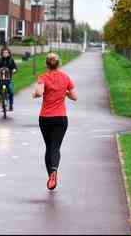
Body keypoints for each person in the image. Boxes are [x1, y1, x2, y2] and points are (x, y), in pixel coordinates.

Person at [32, 53, 78, 191]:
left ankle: (51, 175)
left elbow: (39, 93)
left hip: (45, 118)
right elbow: (75, 97)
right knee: (55, 147)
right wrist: (65, 93)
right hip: (61, 118)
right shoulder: (65, 77)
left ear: (47, 64)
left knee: (48, 148)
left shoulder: (43, 77)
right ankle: (54, 171)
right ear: (59, 64)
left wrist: (35, 93)